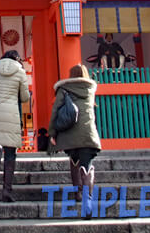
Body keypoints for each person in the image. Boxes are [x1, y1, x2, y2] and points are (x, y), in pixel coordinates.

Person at [48, 64, 101, 201]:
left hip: (70, 133)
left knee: (74, 160)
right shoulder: (90, 89)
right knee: (86, 165)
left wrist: (52, 133)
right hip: (88, 133)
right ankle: (88, 198)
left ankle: (78, 193)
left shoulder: (64, 89)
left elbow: (55, 111)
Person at [0, 50, 29, 202]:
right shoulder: (20, 72)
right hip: (10, 113)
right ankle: (7, 190)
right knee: (10, 152)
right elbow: (25, 97)